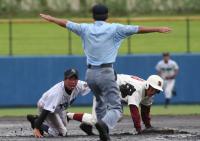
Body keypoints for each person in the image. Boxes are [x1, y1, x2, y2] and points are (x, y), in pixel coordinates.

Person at [39, 4, 171, 141]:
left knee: (101, 110)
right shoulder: (115, 29)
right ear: (107, 16)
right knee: (116, 112)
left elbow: (66, 23)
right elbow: (138, 29)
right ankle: (101, 126)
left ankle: (96, 129)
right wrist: (157, 29)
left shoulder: (85, 28)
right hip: (107, 74)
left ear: (93, 16)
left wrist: (51, 18)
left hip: (90, 74)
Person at [67, 74, 164, 135]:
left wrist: (148, 126)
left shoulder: (149, 94)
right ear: (147, 85)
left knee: (117, 115)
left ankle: (86, 126)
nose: (153, 92)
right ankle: (68, 115)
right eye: (152, 88)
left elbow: (145, 111)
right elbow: (134, 111)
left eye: (157, 91)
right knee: (95, 120)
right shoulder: (138, 90)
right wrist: (139, 129)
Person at [26, 68, 91, 138]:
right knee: (61, 133)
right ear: (65, 80)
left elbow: (93, 86)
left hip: (59, 108)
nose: (73, 82)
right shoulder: (57, 93)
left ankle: (66, 116)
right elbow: (46, 110)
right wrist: (37, 127)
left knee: (64, 125)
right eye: (70, 79)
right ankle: (35, 121)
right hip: (45, 107)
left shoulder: (79, 85)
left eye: (75, 79)